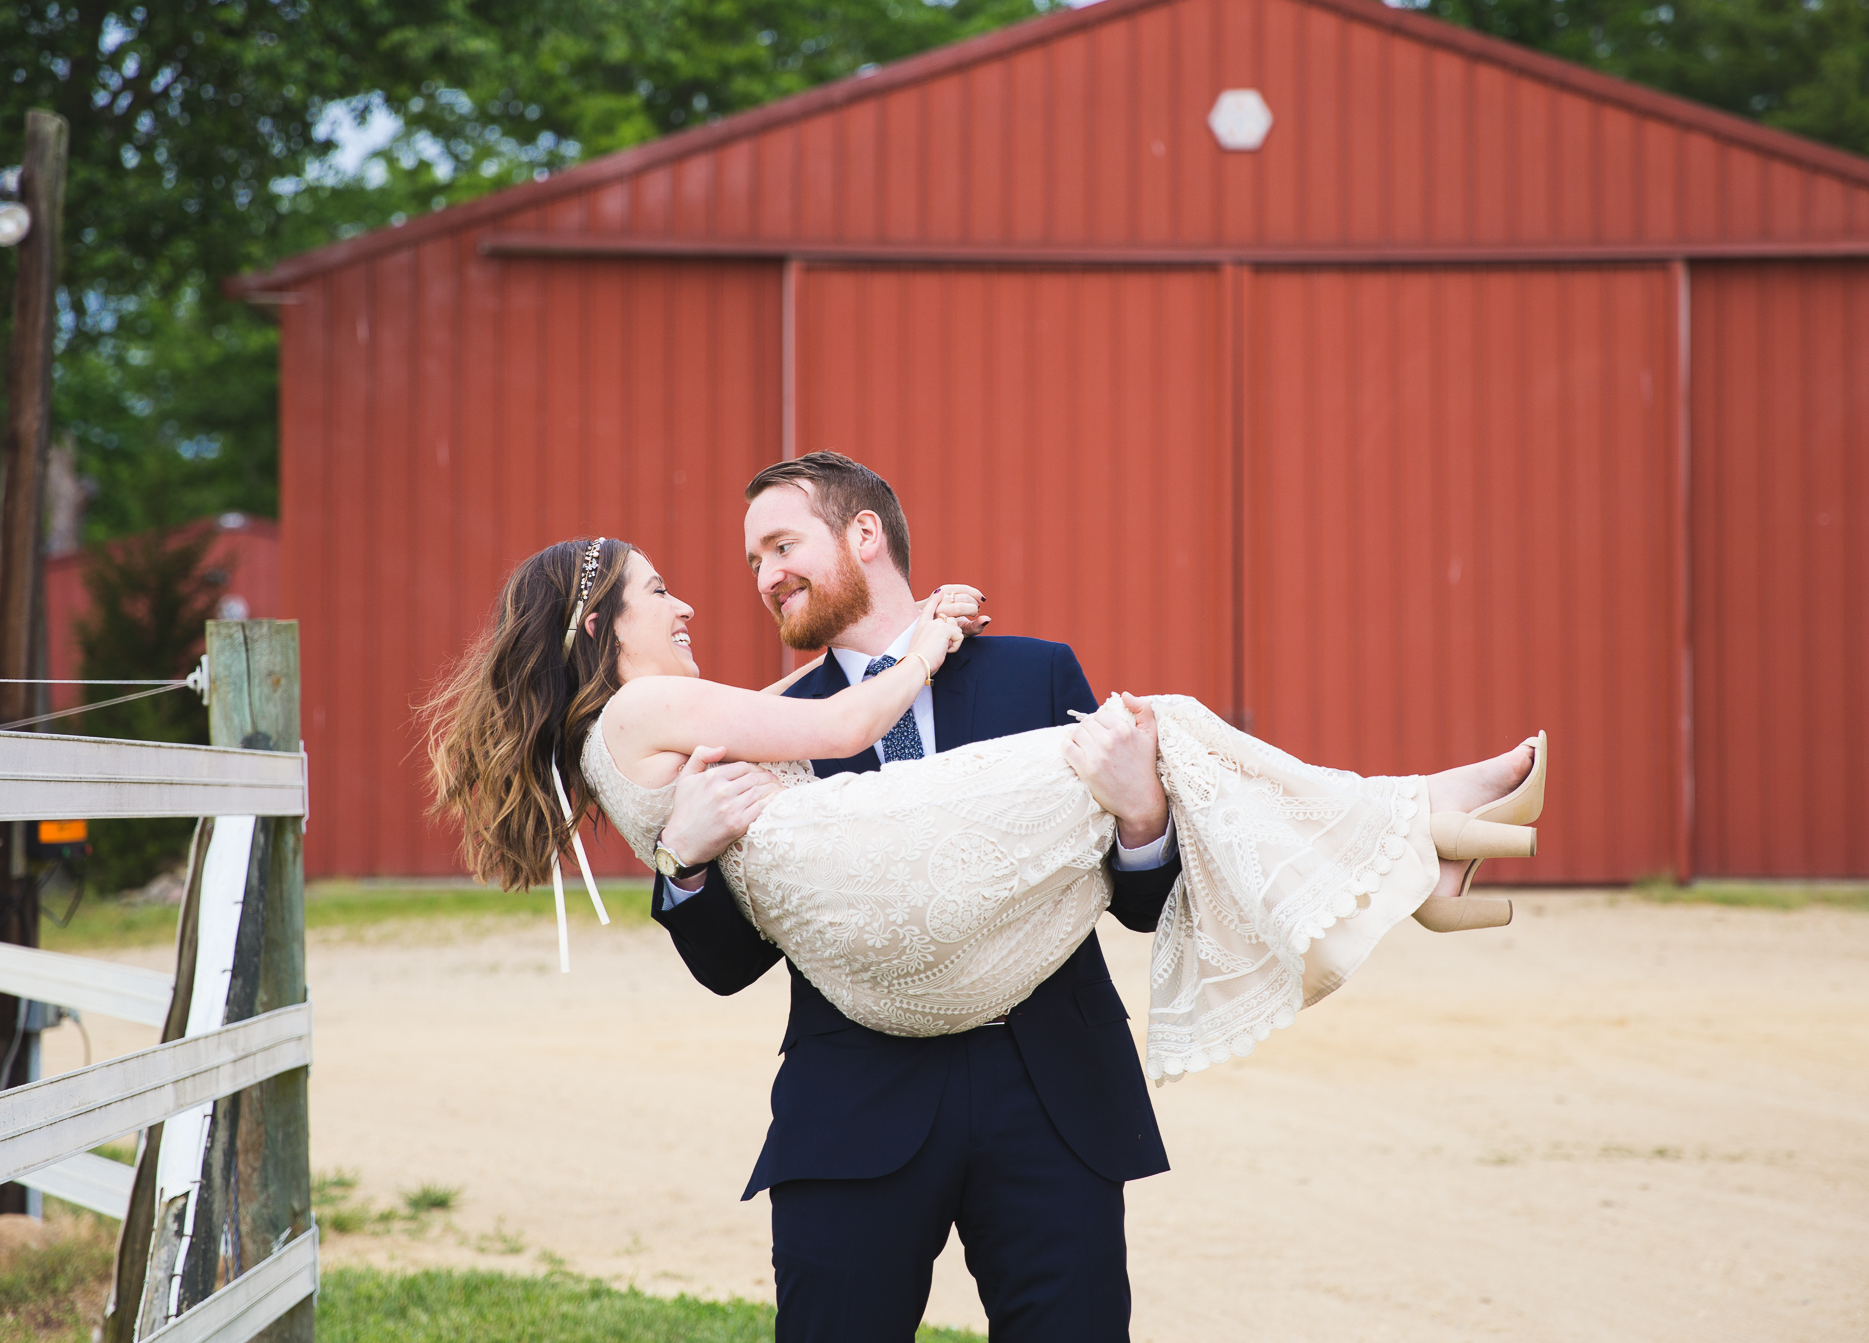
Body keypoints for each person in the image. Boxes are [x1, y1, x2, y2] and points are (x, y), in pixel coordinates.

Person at [425, 459, 1545, 1343]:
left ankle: (1415, 843)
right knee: (1181, 720)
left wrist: (1137, 816)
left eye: (781, 544)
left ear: (862, 536)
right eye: (745, 558)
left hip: (1045, 1097)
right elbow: (724, 960)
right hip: (859, 1111)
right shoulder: (742, 718)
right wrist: (685, 867)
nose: (757, 577)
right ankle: (1418, 829)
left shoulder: (1033, 672)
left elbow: (1134, 902)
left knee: (1160, 745)